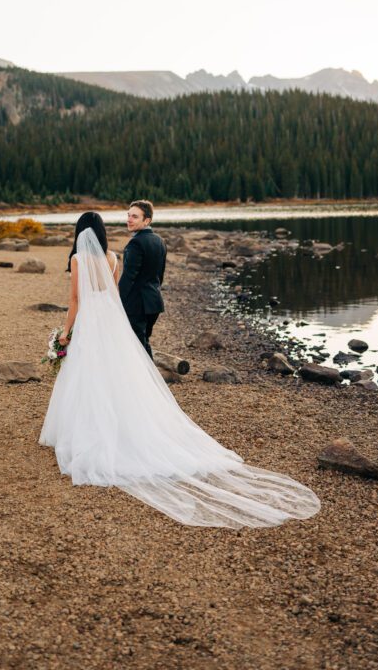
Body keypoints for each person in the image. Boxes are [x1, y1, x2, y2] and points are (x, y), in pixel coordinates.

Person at [39, 212, 320, 530]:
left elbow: (76, 299)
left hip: (91, 320)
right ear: (102, 232)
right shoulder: (112, 256)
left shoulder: (78, 259)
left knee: (89, 375)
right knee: (117, 375)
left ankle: (88, 432)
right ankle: (122, 426)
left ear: (80, 232)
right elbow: (115, 295)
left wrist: (65, 332)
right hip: (110, 320)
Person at [118, 199, 167, 359]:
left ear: (147, 220)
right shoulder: (159, 241)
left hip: (136, 304)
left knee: (137, 346)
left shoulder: (135, 244)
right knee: (143, 342)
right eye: (129, 215)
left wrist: (118, 302)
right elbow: (160, 276)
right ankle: (149, 380)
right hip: (154, 302)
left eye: (135, 217)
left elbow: (128, 278)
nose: (129, 220)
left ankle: (149, 382)